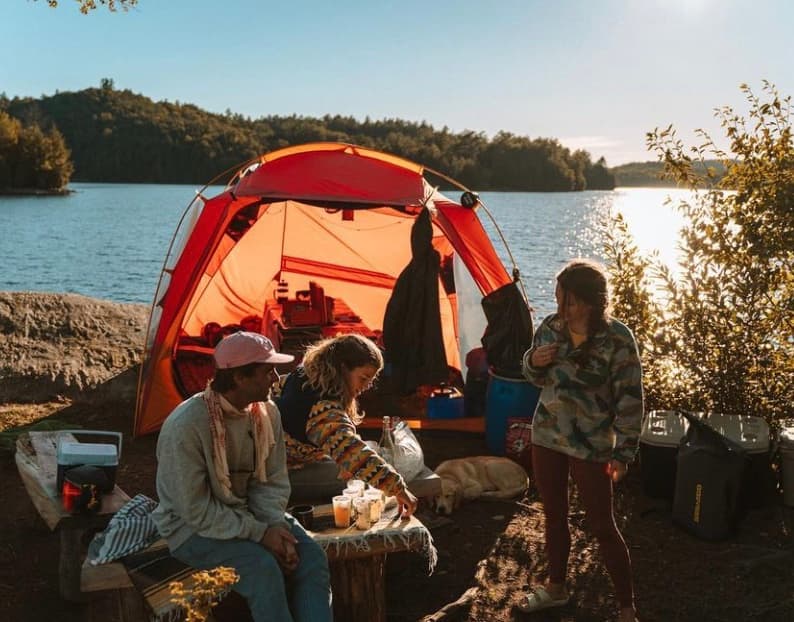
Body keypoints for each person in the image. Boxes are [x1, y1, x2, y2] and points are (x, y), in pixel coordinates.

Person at [151, 331, 333, 622]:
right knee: (261, 568)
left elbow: (271, 482)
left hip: (252, 517)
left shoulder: (266, 412)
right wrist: (261, 535)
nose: (276, 378)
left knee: (311, 558)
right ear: (239, 378)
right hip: (191, 529)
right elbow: (195, 510)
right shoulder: (186, 426)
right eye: (267, 371)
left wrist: (274, 526)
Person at [520, 259, 643, 622]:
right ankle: (556, 588)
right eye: (559, 298)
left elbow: (631, 400)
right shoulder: (550, 328)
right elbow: (532, 376)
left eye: (570, 301)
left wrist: (623, 453)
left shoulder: (618, 339)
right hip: (546, 436)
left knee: (603, 526)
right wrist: (534, 361)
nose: (561, 308)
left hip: (591, 444)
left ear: (591, 302)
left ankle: (626, 609)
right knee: (553, 515)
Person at [273, 333, 418, 518]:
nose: (367, 386)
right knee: (355, 480)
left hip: (287, 461)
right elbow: (354, 453)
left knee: (361, 459)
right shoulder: (322, 408)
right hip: (282, 474)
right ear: (342, 369)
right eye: (363, 378)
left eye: (371, 380)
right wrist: (397, 488)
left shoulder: (302, 375)